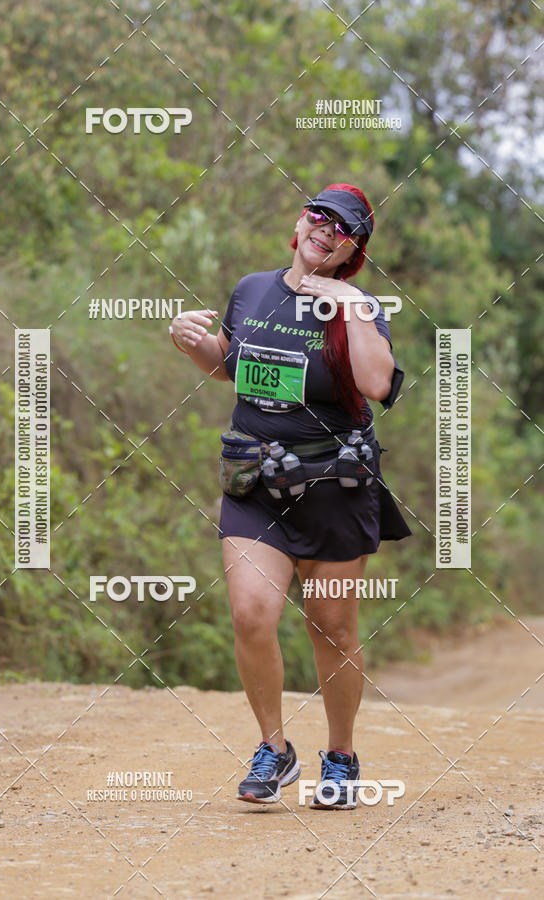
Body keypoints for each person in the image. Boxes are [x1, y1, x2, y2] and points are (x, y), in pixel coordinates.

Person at [169, 183, 411, 809]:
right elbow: (230, 366)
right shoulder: (252, 289)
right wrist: (195, 344)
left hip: (334, 486)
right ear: (299, 224)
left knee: (331, 628)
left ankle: (341, 757)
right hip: (256, 484)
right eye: (318, 216)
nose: (325, 230)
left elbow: (377, 383)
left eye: (342, 229)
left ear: (350, 251)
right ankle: (274, 750)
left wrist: (350, 305)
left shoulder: (359, 305)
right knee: (251, 613)